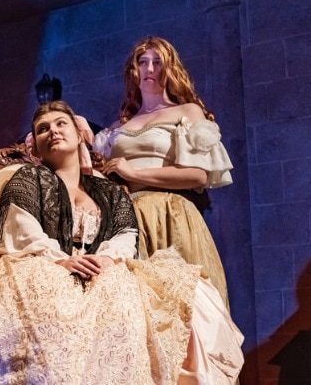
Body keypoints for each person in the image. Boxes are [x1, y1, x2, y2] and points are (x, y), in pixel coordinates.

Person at [0, 101, 243, 384]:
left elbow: (126, 233)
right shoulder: (28, 179)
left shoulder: (107, 190)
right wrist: (60, 260)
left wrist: (107, 258)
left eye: (61, 123)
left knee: (191, 293)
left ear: (79, 135)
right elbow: (21, 228)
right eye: (42, 128)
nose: (53, 131)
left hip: (104, 266)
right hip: (46, 264)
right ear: (35, 146)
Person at [93, 35, 233, 306]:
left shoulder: (186, 111)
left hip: (171, 214)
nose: (149, 69)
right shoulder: (117, 127)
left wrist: (133, 174)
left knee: (182, 305)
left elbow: (197, 176)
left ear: (170, 69)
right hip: (127, 218)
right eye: (142, 62)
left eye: (158, 62)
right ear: (134, 71)